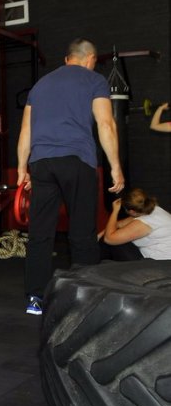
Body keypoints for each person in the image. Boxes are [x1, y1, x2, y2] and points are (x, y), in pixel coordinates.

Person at [16, 38, 125, 316]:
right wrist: (115, 166)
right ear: (90, 59)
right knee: (82, 233)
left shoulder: (40, 85)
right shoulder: (95, 80)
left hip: (41, 163)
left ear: (67, 59)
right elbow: (105, 123)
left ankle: (35, 298)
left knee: (40, 233)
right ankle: (84, 300)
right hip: (77, 161)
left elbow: (26, 131)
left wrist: (21, 168)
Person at [100, 188, 171, 261]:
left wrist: (115, 211)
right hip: (156, 256)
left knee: (115, 243)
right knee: (113, 235)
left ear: (132, 211)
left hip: (161, 263)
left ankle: (95, 261)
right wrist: (98, 235)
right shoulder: (153, 209)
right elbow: (119, 224)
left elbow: (108, 239)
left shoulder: (144, 223)